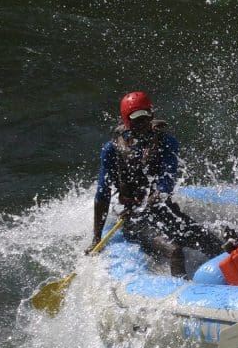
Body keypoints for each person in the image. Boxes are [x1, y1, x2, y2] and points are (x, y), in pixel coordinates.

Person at [90, 91, 223, 277]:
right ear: (126, 120)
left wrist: (159, 193)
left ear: (151, 115)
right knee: (175, 251)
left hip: (162, 210)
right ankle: (181, 295)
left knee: (214, 244)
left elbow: (167, 179)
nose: (142, 124)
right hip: (135, 219)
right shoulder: (112, 150)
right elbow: (102, 195)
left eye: (145, 117)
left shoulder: (166, 142)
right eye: (135, 119)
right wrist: (97, 238)